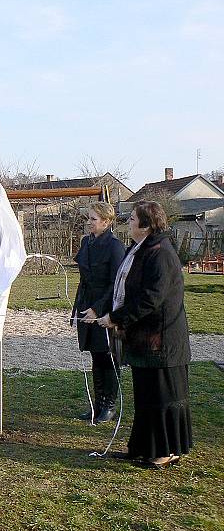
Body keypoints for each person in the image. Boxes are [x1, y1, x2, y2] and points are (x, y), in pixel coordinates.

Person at [98, 201, 192, 468]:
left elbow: (151, 298)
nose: (128, 222)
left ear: (147, 224)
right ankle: (143, 447)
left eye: (132, 219)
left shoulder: (161, 253)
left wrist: (116, 317)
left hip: (162, 342)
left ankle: (166, 451)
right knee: (146, 397)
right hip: (144, 340)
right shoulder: (141, 249)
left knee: (163, 397)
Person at [72, 201, 125, 423]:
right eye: (89, 218)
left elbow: (116, 283)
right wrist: (78, 307)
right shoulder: (87, 242)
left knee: (108, 357)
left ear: (106, 221)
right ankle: (97, 404)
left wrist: (98, 309)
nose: (89, 223)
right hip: (87, 304)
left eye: (93, 219)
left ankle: (109, 406)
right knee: (96, 356)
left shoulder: (114, 246)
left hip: (106, 308)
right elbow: (84, 279)